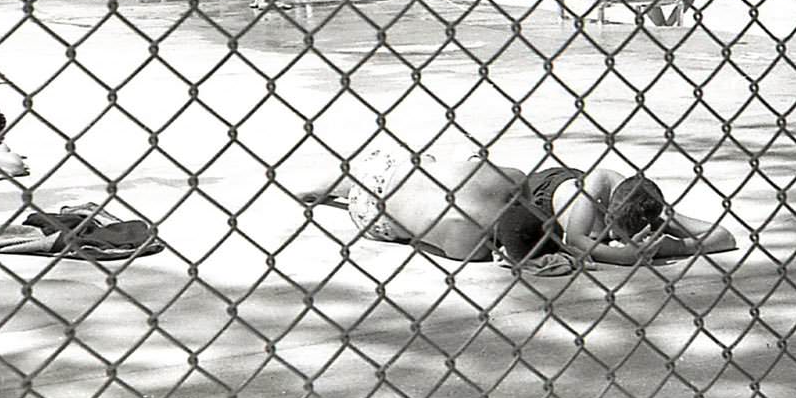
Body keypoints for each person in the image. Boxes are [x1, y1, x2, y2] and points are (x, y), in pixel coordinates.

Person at [297, 147, 528, 263]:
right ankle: (343, 187)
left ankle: (339, 182)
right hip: (377, 217)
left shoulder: (515, 179)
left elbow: (481, 164)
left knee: (427, 165)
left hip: (391, 170)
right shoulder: (471, 244)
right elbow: (451, 250)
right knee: (406, 204)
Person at [494, 161, 738, 271]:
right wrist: (624, 256)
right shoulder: (596, 185)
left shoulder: (654, 210)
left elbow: (725, 237)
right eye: (615, 231)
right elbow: (574, 240)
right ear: (608, 210)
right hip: (546, 188)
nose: (615, 238)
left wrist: (677, 246)